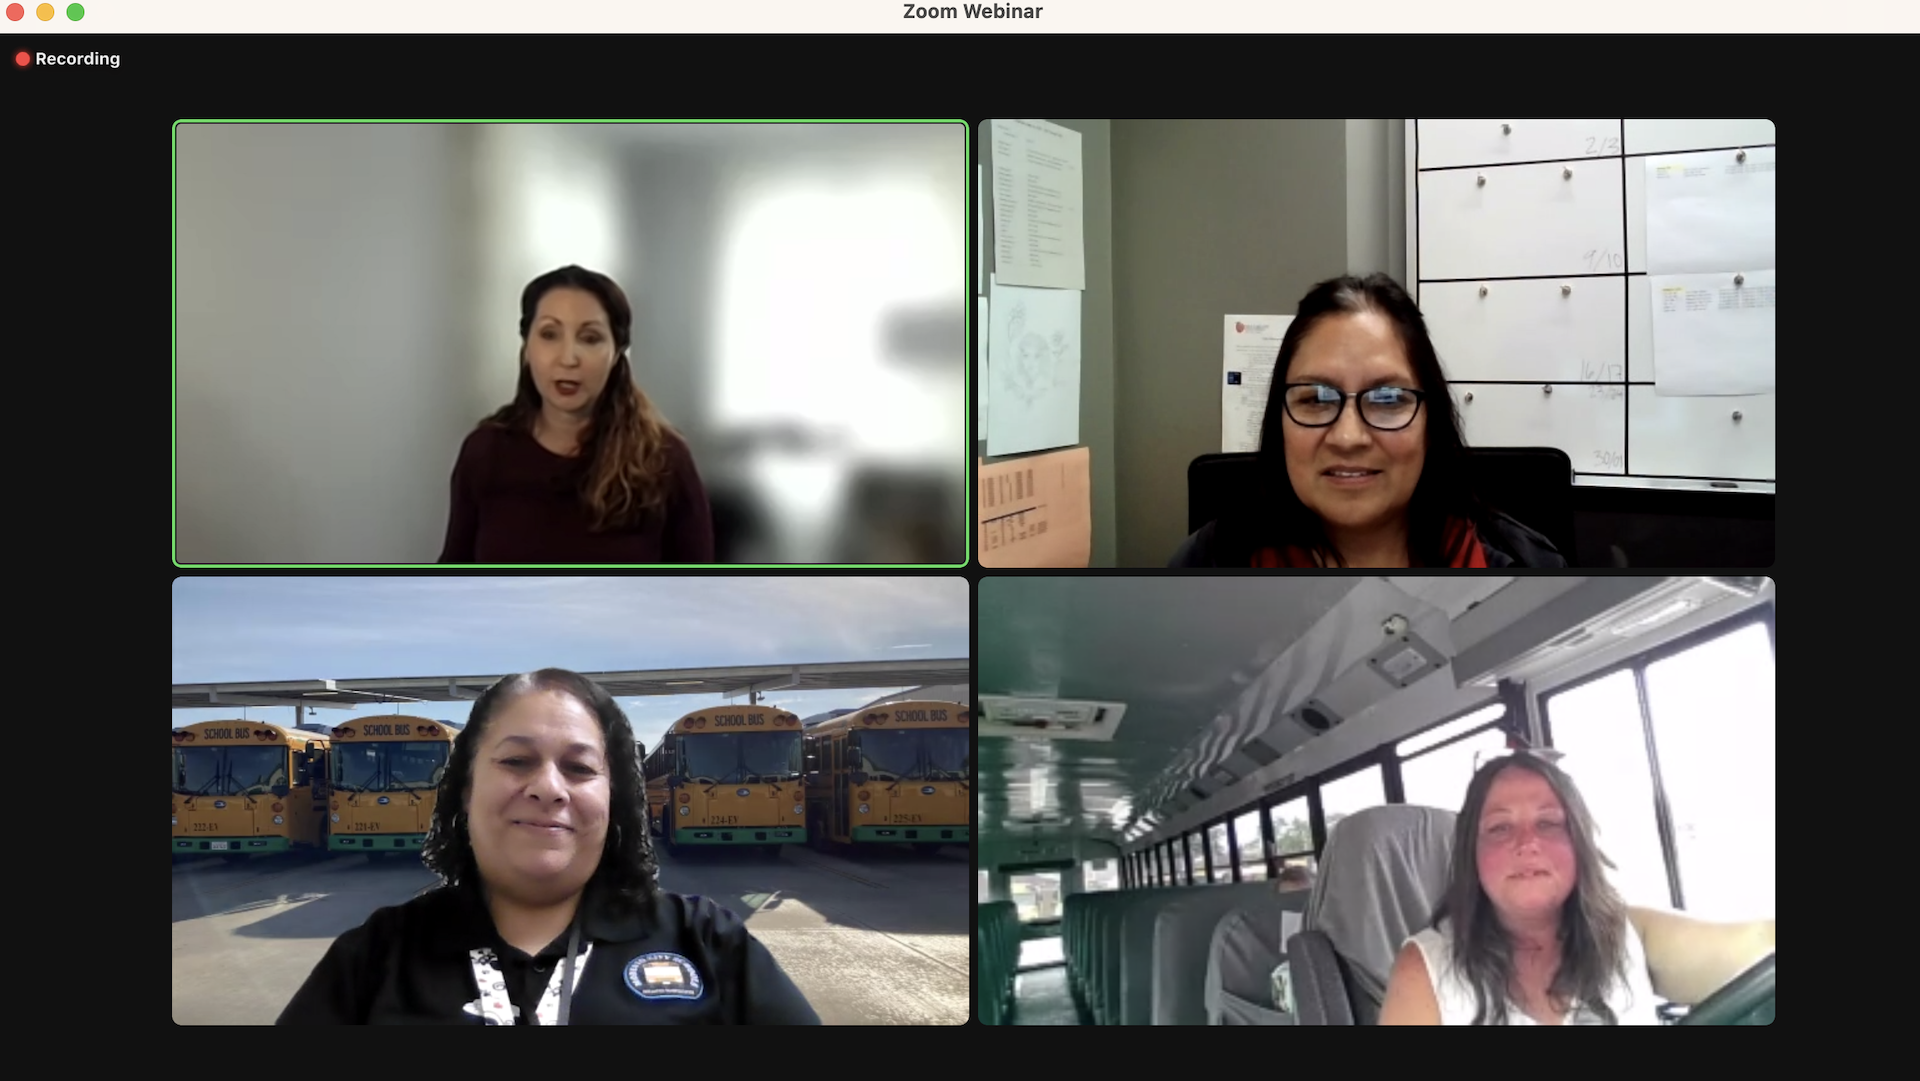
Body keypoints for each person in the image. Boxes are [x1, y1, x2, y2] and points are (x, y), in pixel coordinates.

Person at [277, 668, 820, 1024]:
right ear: (464, 789)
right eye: (515, 760)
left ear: (617, 798)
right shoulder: (373, 956)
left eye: (580, 768)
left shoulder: (707, 943)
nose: (549, 788)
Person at [1169, 273, 1566, 568]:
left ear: (1431, 424)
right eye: (1316, 398)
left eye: (1388, 398)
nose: (1348, 436)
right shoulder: (1208, 565)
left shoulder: (1530, 573)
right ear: (1280, 424)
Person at [1378, 753, 1776, 1025]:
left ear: (1579, 843)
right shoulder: (1424, 972)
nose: (1527, 842)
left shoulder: (1627, 933)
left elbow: (1754, 946)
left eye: (1549, 823)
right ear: (1472, 854)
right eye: (1500, 828)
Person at [438, 265, 716, 564]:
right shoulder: (485, 452)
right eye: (549, 334)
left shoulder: (664, 459)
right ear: (527, 345)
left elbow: (699, 593)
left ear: (616, 352)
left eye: (590, 338)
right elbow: (452, 579)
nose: (568, 358)